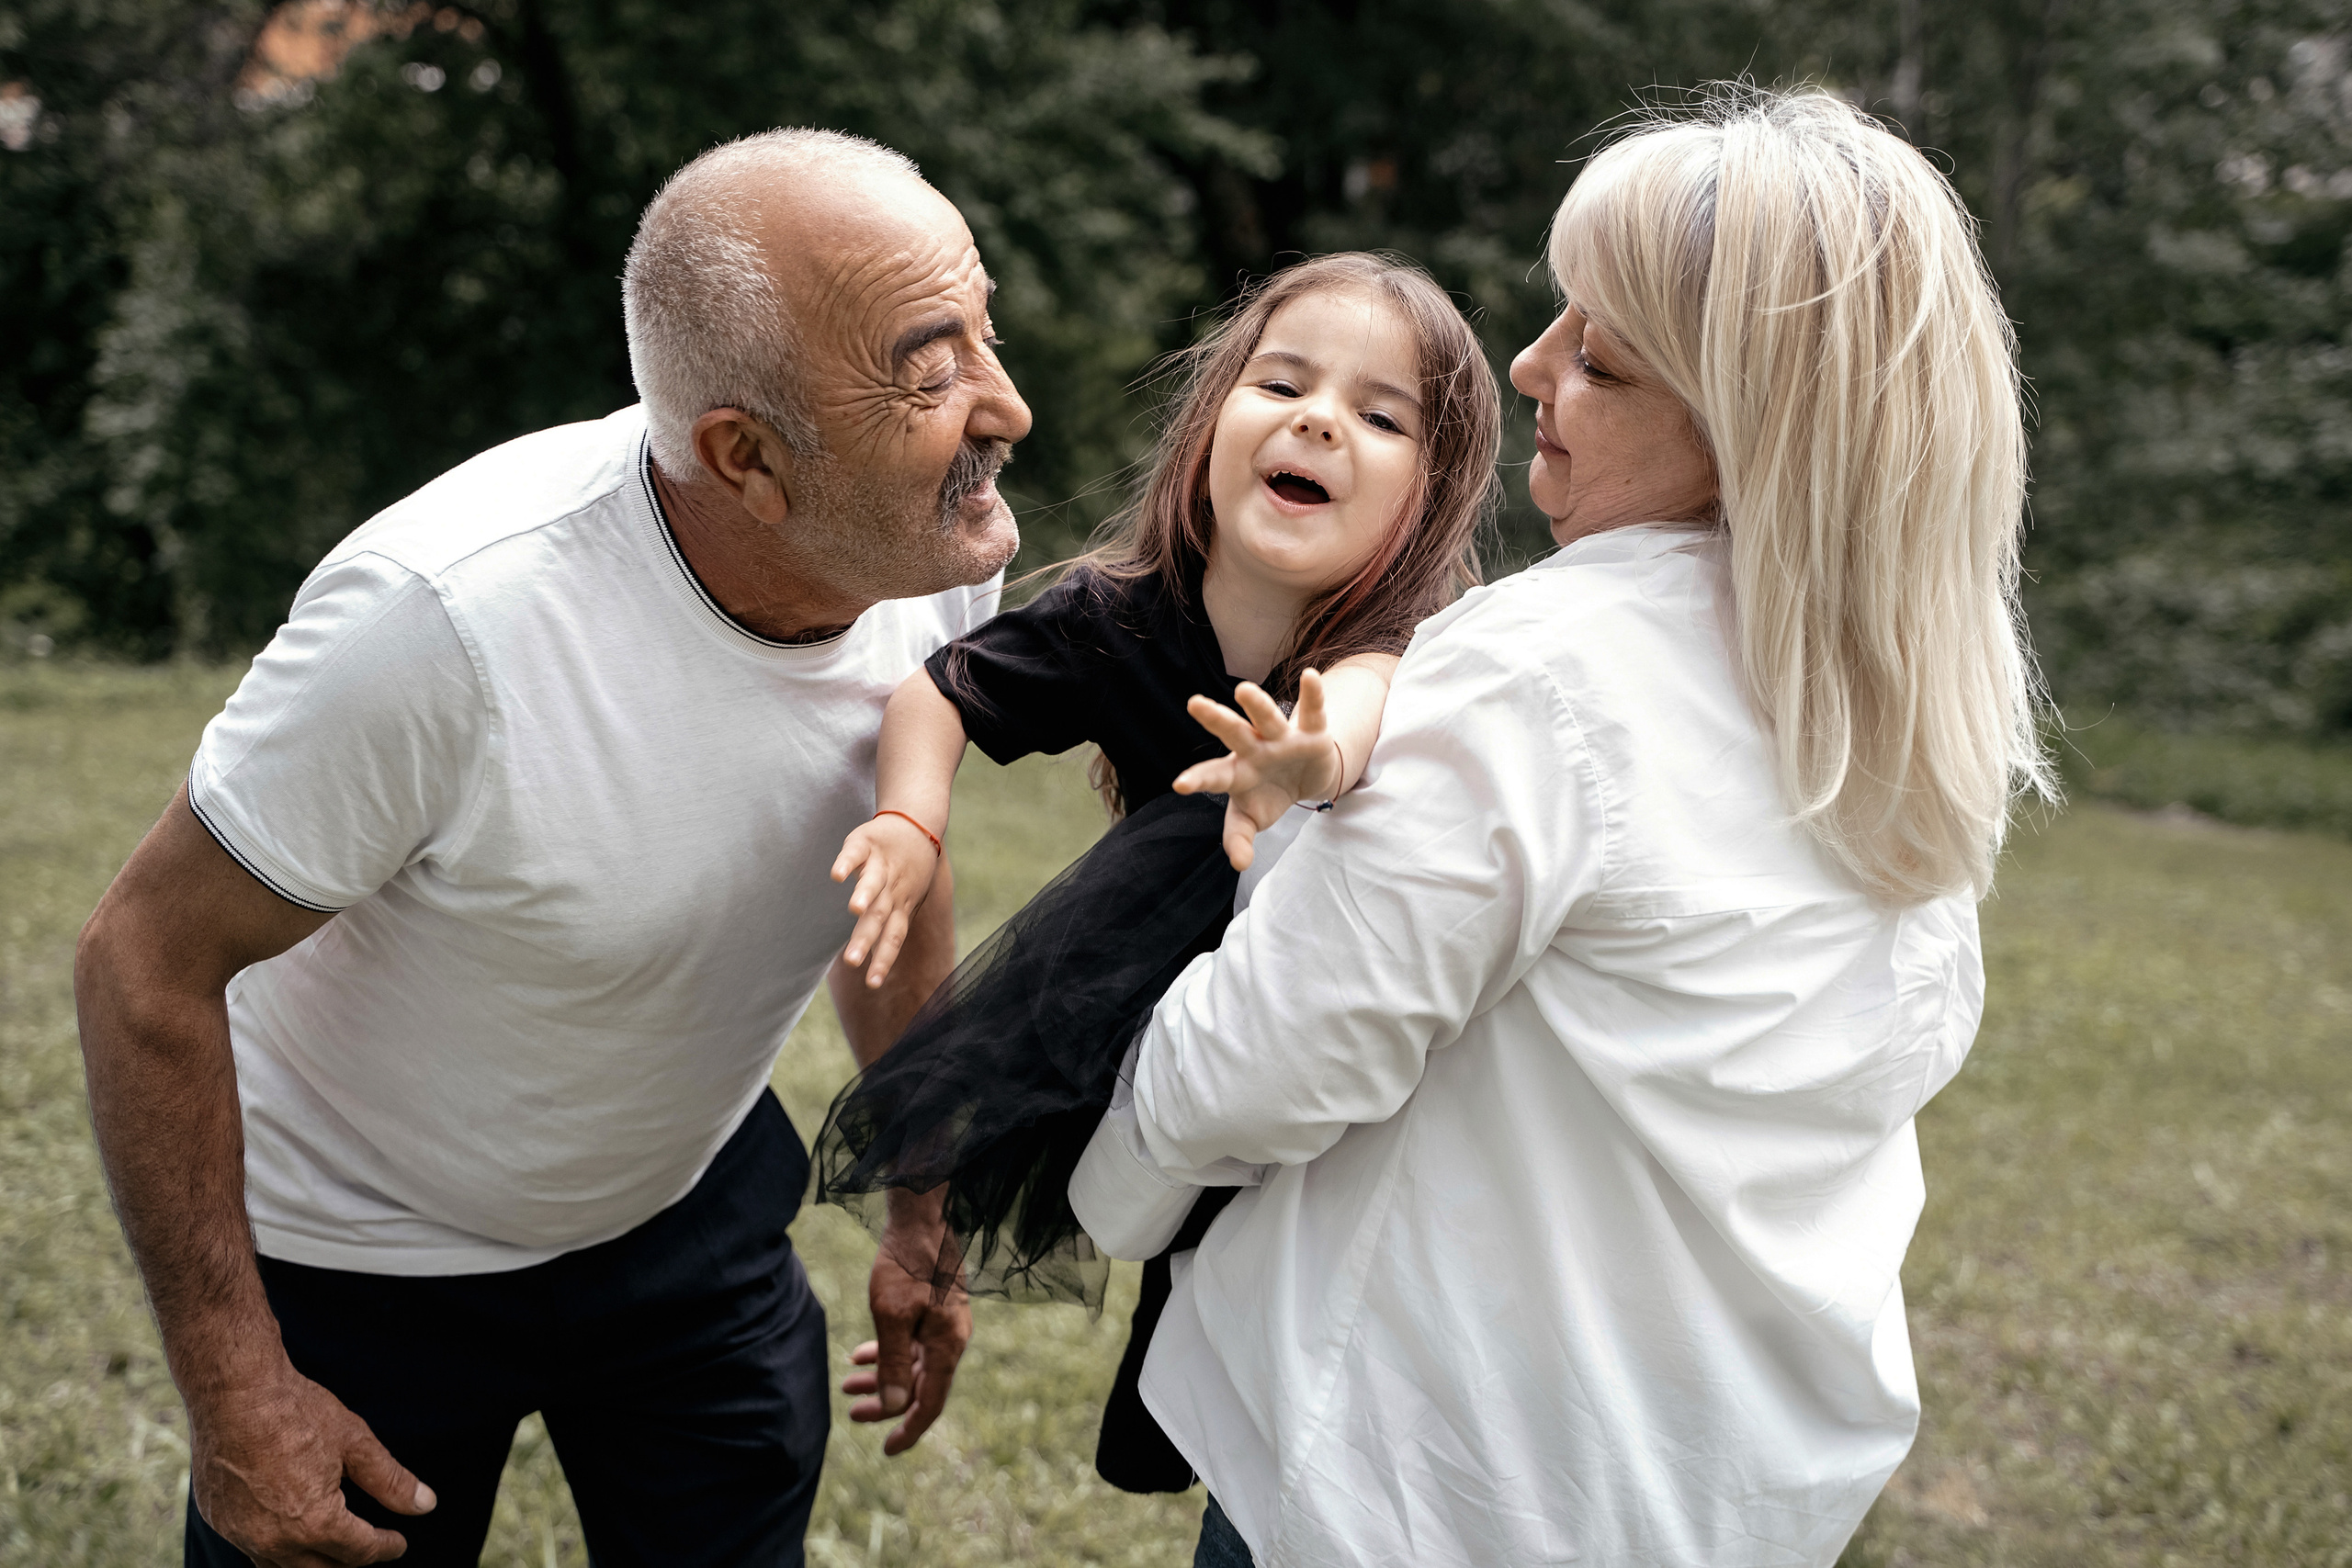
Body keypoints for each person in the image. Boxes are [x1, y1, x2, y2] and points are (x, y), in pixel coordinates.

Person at [1069, 86, 2059, 1567]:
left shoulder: (1545, 667)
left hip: (1424, 1480)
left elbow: (1279, 1049)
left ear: (1747, 428)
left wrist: (1110, 1184)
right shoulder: (1911, 694)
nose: (1529, 364)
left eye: (1598, 357)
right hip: (1721, 1483)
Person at [73, 129, 1024, 1568]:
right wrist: (236, 1389)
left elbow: (893, 893)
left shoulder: (928, 543)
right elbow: (141, 963)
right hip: (362, 1262)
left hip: (683, 1211)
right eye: (929, 367)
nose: (1004, 407)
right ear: (746, 459)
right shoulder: (443, 622)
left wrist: (923, 1199)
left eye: (985, 334)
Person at [810, 253, 1501, 1491]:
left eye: (1380, 415)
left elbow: (1362, 697)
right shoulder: (1119, 616)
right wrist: (913, 822)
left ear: (1431, 492)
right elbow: (940, 691)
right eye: (1281, 382)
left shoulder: (1413, 646)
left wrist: (1310, 759)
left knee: (1289, 1245)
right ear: (1212, 418)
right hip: (1154, 988)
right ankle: (1168, 1373)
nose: (1318, 418)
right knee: (1176, 1216)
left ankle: (1236, 1404)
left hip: (1336, 1002)